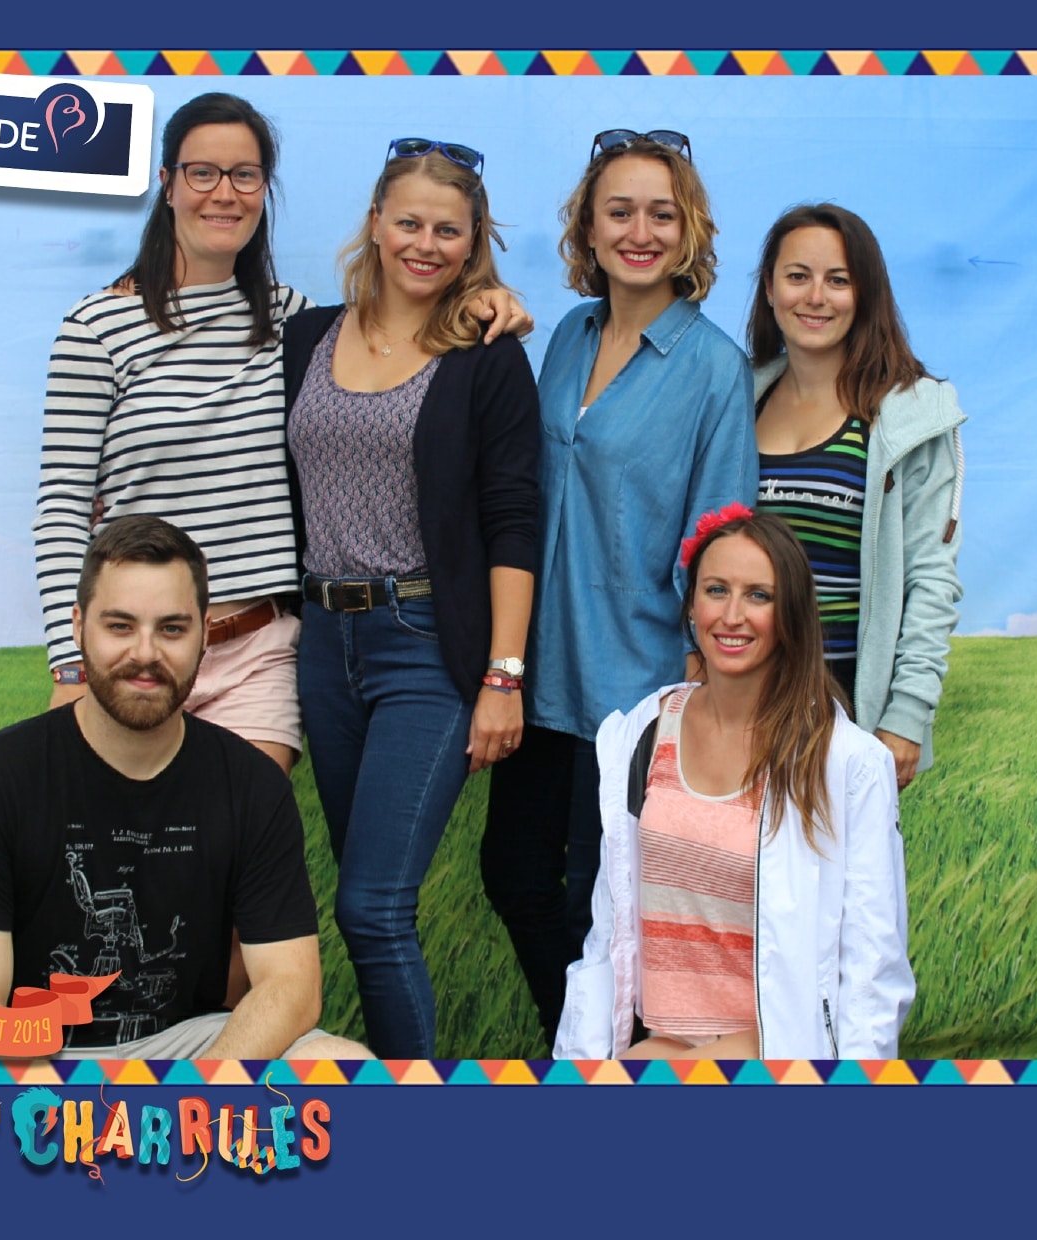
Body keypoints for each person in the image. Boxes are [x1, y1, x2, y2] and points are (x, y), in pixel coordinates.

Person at [33, 93, 528, 775]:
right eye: (202, 172)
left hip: (259, 654)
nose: (224, 193)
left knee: (228, 848)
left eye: (246, 175)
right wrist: (70, 662)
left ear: (265, 189)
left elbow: (395, 332)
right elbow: (62, 508)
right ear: (167, 183)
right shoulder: (95, 328)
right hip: (137, 652)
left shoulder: (296, 326)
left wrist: (481, 299)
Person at [481, 128, 758, 1048]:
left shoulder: (713, 367)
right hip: (539, 671)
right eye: (619, 211)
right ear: (588, 229)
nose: (640, 231)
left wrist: (705, 679)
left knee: (605, 907)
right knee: (514, 875)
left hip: (637, 686)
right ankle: (586, 1047)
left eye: (661, 214)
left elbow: (722, 531)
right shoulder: (568, 335)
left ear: (689, 234)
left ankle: (617, 1066)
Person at [0, 515, 368, 1060]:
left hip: (191, 1050)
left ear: (205, 633)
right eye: (120, 626)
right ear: (77, 626)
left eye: (172, 629)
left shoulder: (250, 784)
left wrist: (193, 1099)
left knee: (340, 1063)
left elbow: (292, 987)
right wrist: (57, 1114)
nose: (145, 653)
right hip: (35, 1057)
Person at [279, 139, 539, 1059]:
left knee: (372, 907)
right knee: (364, 897)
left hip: (423, 644)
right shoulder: (307, 336)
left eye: (448, 230)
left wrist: (502, 675)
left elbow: (513, 520)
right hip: (323, 643)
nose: (425, 244)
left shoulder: (486, 353)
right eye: (409, 222)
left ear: (473, 245)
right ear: (375, 224)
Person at [554, 508, 913, 1060]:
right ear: (691, 603)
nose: (732, 615)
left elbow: (873, 965)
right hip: (662, 1040)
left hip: (776, 1050)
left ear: (791, 611)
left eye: (759, 596)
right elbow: (608, 934)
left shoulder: (845, 762)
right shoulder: (641, 734)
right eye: (716, 589)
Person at [748, 204, 965, 790]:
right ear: (769, 290)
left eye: (838, 280)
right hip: (738, 694)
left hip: (844, 704)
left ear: (865, 294)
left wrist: (907, 716)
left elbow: (931, 577)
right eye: (797, 276)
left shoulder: (909, 414)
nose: (816, 296)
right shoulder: (737, 400)